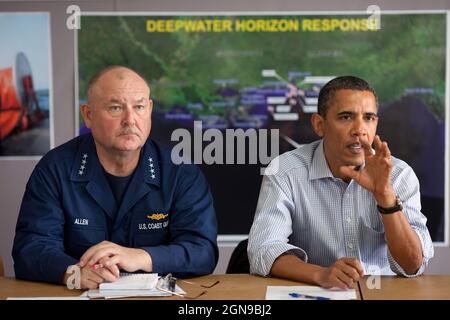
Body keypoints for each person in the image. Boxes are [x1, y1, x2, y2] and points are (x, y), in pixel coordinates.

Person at [12, 66, 218, 289]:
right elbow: (30, 247)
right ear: (88, 115)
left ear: (149, 110)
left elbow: (202, 251)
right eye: (115, 108)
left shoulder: (181, 172)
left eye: (139, 107)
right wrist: (71, 272)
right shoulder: (55, 169)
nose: (130, 119)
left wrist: (140, 257)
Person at [248, 76, 434, 289]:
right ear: (319, 124)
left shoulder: (399, 174)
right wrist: (321, 274)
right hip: (314, 291)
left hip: (381, 292)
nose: (359, 130)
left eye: (369, 118)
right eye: (346, 117)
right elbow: (263, 248)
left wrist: (385, 196)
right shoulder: (285, 170)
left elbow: (412, 265)